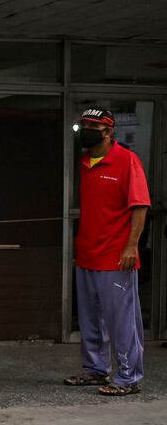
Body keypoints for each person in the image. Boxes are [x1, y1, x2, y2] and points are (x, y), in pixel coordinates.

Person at [66, 108, 149, 396]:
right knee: (90, 319)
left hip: (116, 256)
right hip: (88, 253)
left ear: (108, 131)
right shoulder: (86, 161)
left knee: (122, 321)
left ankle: (129, 377)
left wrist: (132, 245)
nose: (86, 129)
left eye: (92, 125)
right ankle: (95, 371)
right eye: (83, 124)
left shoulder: (127, 161)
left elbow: (140, 206)